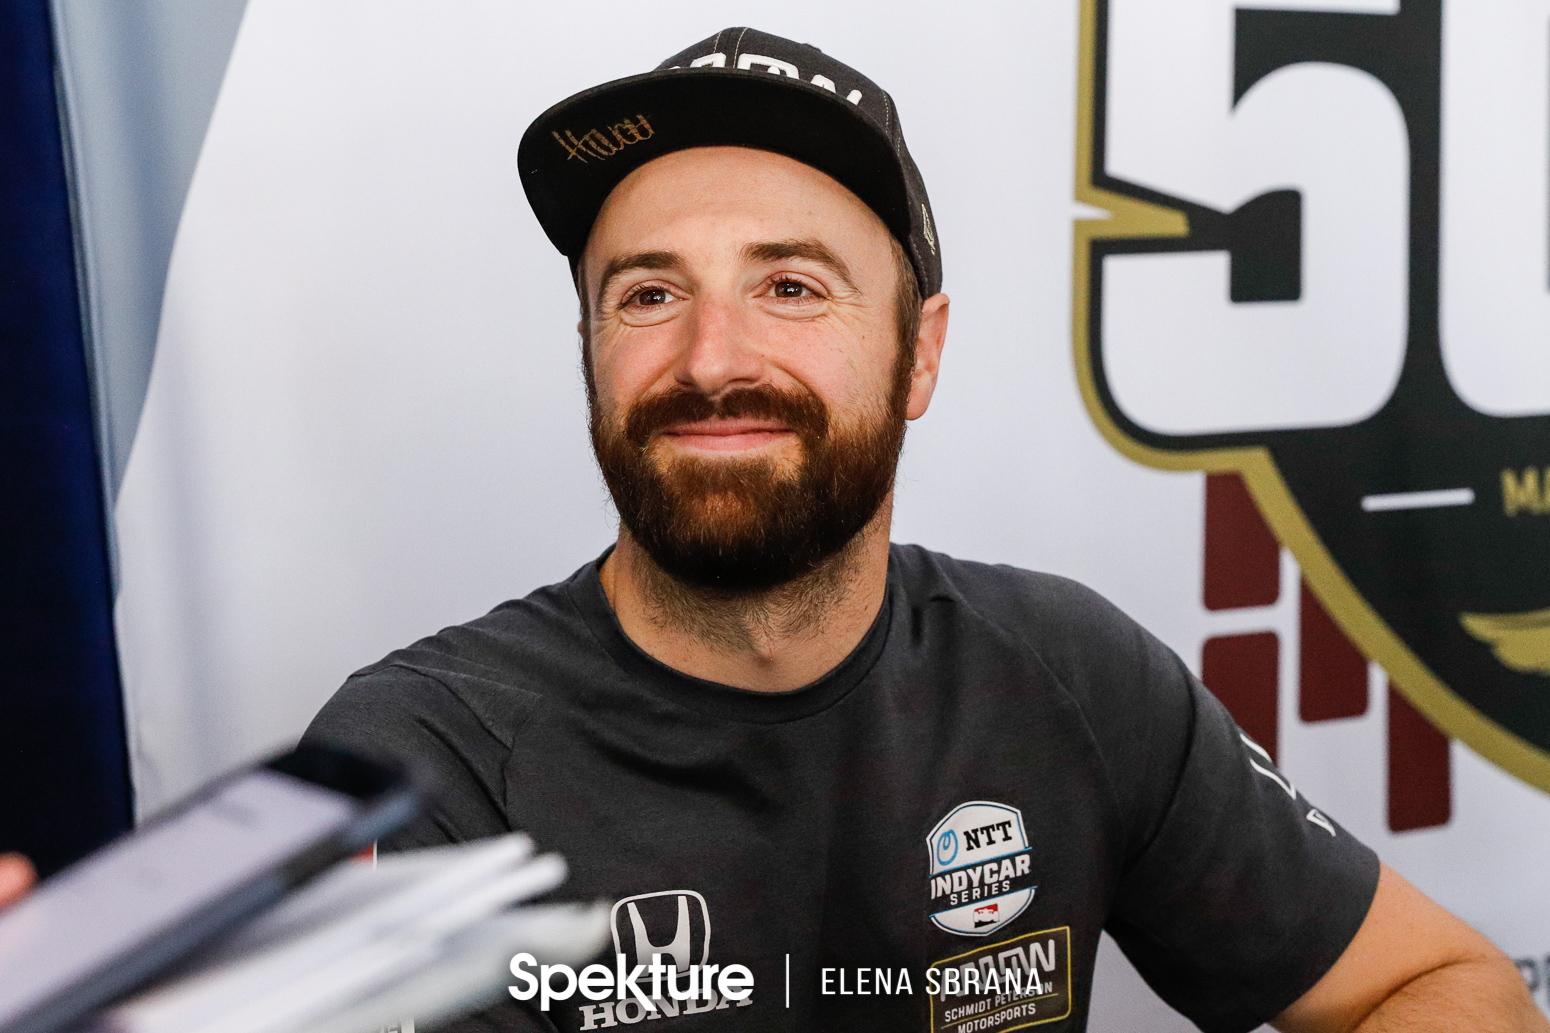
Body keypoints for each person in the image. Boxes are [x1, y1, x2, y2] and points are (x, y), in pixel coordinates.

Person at [303, 27, 1544, 1032]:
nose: (711, 358)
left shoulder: (1069, 673)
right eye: (647, 293)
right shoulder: (418, 766)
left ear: (918, 354)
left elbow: (1440, 983)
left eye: (789, 286)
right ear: (589, 349)